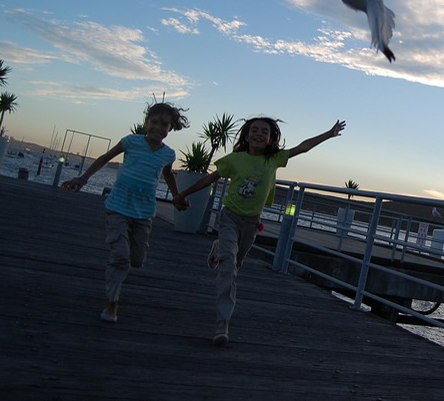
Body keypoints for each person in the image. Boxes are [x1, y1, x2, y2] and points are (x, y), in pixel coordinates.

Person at [172, 117, 346, 346]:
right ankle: (221, 325)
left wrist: (328, 134)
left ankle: (219, 248)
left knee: (235, 264)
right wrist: (182, 195)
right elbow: (209, 179)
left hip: (251, 224)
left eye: (265, 131)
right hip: (230, 218)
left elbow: (302, 148)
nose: (259, 134)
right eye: (254, 130)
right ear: (246, 135)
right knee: (228, 270)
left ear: (272, 138)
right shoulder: (234, 160)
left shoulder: (273, 159)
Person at [61, 102, 190, 323]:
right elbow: (104, 158)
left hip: (144, 213)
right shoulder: (131, 142)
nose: (158, 127)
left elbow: (168, 175)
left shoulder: (168, 154)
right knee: (120, 256)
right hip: (118, 207)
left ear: (171, 128)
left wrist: (177, 196)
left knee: (137, 260)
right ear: (146, 122)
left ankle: (120, 264)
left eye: (164, 124)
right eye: (154, 122)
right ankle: (112, 302)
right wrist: (83, 178)